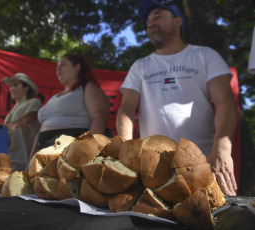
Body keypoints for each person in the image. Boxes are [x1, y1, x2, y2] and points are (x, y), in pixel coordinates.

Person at [116, 0, 238, 196]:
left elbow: (225, 101)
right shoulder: (140, 66)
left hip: (203, 163)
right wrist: (125, 147)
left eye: (157, 16)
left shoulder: (205, 56)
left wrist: (222, 148)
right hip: (152, 169)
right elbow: (126, 109)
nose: (150, 22)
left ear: (178, 21)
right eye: (148, 20)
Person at [31, 54, 110, 156]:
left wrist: (90, 150)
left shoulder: (87, 87)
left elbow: (99, 117)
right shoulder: (53, 98)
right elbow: (41, 130)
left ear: (77, 67)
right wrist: (31, 159)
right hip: (42, 149)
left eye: (63, 64)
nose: (58, 69)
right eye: (57, 67)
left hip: (72, 150)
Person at [2, 73, 41, 171]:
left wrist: (13, 125)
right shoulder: (11, 111)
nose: (12, 88)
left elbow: (30, 117)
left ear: (26, 87)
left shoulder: (33, 102)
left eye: (15, 85)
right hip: (9, 158)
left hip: (25, 159)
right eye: (11, 86)